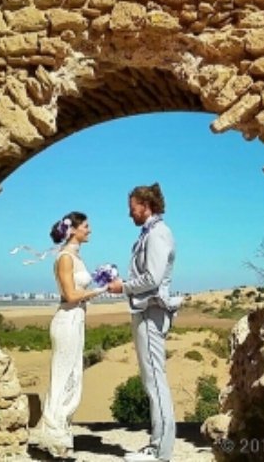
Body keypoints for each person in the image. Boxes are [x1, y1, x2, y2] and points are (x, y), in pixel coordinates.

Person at [108, 183, 183, 462]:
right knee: (151, 378)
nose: (130, 214)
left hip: (152, 312)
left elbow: (152, 278)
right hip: (144, 310)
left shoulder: (158, 234)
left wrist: (123, 287)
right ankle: (156, 445)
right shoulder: (150, 233)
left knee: (155, 379)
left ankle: (161, 452)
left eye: (132, 208)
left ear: (146, 205)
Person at [28, 211, 107, 458]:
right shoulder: (64, 258)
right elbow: (71, 296)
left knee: (72, 376)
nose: (90, 229)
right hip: (67, 320)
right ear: (73, 230)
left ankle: (60, 436)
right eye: (86, 226)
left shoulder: (75, 257)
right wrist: (102, 289)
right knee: (62, 378)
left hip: (77, 320)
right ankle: (53, 437)